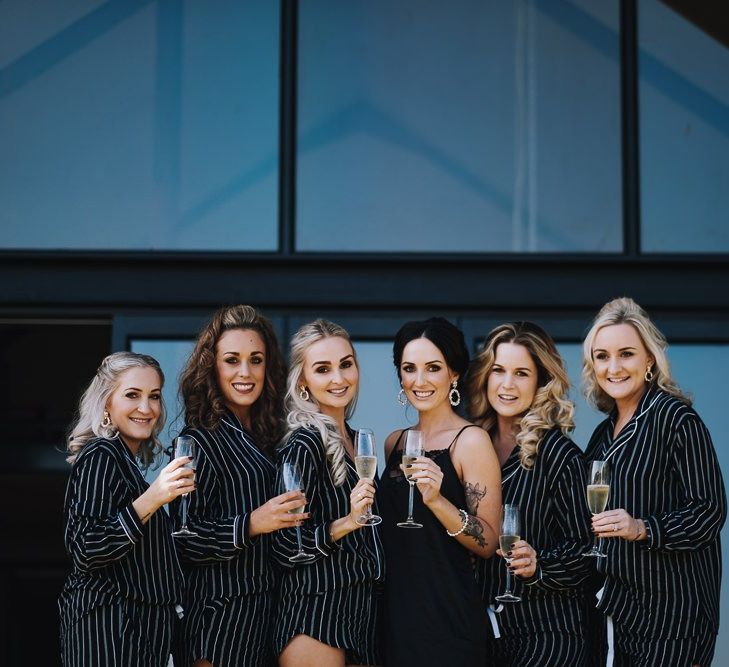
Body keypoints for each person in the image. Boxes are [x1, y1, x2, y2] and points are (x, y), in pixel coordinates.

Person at [583, 297, 726, 666]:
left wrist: (643, 528)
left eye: (626, 354)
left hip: (673, 623)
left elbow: (709, 511)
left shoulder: (676, 419)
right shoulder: (601, 435)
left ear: (649, 359)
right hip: (618, 614)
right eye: (602, 356)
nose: (613, 367)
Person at [173, 305, 305, 667]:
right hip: (219, 623)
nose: (245, 372)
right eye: (232, 360)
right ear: (212, 367)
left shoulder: (273, 437)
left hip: (268, 621)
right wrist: (250, 524)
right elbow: (183, 538)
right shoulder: (199, 440)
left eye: (256, 360)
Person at [377, 317, 501, 667]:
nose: (420, 380)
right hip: (394, 618)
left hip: (448, 619)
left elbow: (488, 541)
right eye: (409, 368)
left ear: (454, 374)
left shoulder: (471, 441)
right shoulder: (394, 443)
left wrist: (436, 500)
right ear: (400, 377)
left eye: (433, 368)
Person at [468, 321, 593, 666]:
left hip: (548, 636)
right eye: (498, 371)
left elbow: (588, 548)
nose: (507, 385)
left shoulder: (558, 454)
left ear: (541, 381)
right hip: (487, 636)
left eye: (521, 373)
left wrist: (541, 564)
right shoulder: (470, 444)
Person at [59, 352, 193, 667]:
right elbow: (86, 547)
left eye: (154, 397)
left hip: (138, 634)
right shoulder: (101, 453)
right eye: (132, 395)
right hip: (111, 633)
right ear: (106, 403)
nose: (146, 408)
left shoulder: (124, 464)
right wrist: (155, 496)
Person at [272, 319, 383, 667]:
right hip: (316, 612)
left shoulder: (355, 440)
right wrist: (347, 522)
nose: (339, 378)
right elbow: (286, 545)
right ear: (303, 381)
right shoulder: (304, 442)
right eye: (323, 369)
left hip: (357, 614)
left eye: (346, 364)